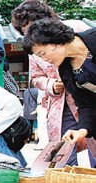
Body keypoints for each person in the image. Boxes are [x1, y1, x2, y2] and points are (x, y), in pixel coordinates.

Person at [11, 0, 93, 166]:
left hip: (86, 95)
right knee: (66, 147)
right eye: (26, 32)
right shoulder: (41, 55)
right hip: (64, 103)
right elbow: (35, 78)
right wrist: (50, 85)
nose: (31, 36)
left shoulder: (78, 31)